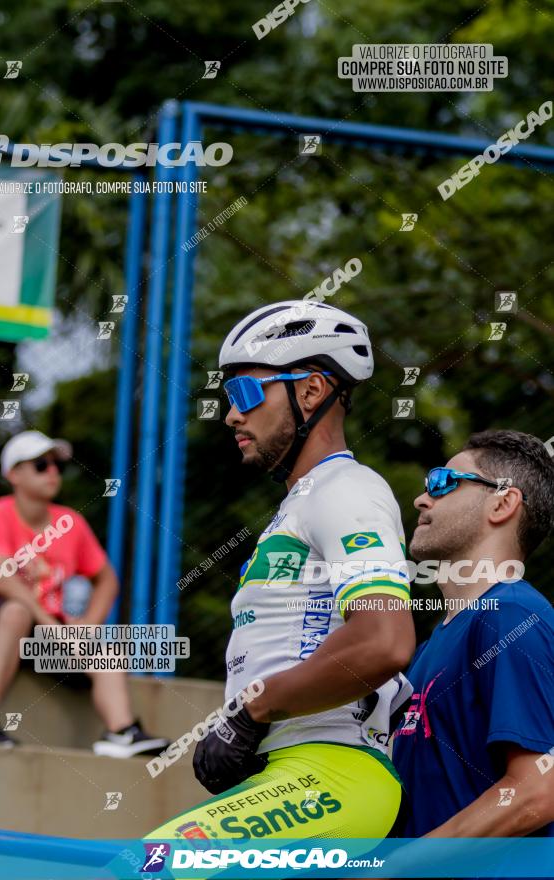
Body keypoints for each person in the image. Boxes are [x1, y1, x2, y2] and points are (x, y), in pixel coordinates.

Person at [143, 299, 415, 843]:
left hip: (333, 772)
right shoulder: (301, 505)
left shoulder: (347, 489)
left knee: (152, 864)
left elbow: (384, 642)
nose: (230, 414)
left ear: (311, 391)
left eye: (244, 392)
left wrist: (250, 715)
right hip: (293, 772)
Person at [0, 430, 169, 758]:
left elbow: (107, 580)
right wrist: (49, 622)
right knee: (17, 611)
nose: (52, 473)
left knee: (107, 651)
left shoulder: (69, 522)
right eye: (41, 465)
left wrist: (87, 624)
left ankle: (121, 732)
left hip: (44, 634)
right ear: (13, 474)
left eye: (57, 466)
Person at [393, 429, 554, 839]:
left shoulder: (510, 615)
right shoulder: (434, 644)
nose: (422, 498)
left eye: (444, 482)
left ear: (502, 503)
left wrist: (394, 869)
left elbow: (536, 790)